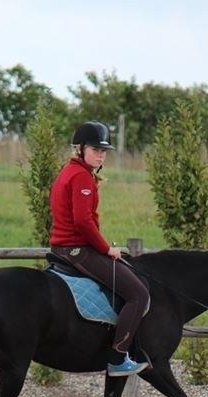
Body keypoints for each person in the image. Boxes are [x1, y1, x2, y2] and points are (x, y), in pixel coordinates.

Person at [49, 120, 151, 377]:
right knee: (139, 294)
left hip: (64, 248)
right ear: (80, 148)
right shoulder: (81, 176)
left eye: (104, 150)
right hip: (77, 250)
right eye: (96, 149)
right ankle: (117, 357)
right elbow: (83, 222)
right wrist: (107, 249)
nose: (101, 154)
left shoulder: (68, 171)